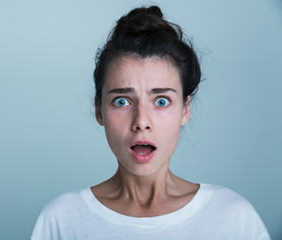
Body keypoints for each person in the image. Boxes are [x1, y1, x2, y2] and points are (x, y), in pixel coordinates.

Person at [31, 6, 270, 240]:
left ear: (185, 109)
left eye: (162, 101)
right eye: (122, 101)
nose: (142, 122)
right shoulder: (61, 220)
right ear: (99, 110)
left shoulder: (235, 219)